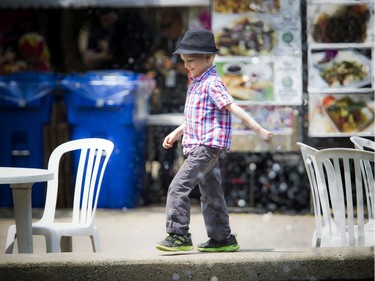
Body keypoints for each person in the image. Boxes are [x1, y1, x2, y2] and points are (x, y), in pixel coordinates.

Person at [156, 29, 273, 252]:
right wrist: (177, 132)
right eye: (184, 61)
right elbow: (195, 118)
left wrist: (259, 130)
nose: (187, 65)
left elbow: (233, 107)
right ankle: (222, 238)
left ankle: (178, 234)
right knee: (211, 193)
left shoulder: (212, 83)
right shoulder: (197, 83)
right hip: (197, 146)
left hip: (206, 148)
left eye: (191, 61)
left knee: (178, 187)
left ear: (209, 58)